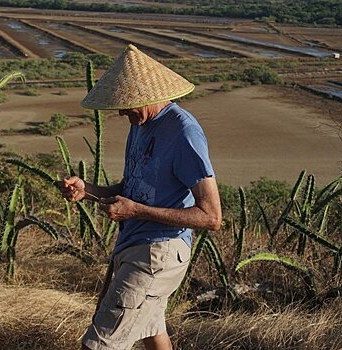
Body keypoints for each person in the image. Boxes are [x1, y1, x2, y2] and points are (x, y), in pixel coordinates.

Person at [59, 44, 222, 350]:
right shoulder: (141, 125)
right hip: (135, 246)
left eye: (127, 104)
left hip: (158, 252)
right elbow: (133, 188)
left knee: (99, 343)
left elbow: (211, 217)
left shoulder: (184, 133)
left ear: (150, 95)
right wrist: (87, 190)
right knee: (152, 330)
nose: (121, 111)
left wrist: (136, 211)